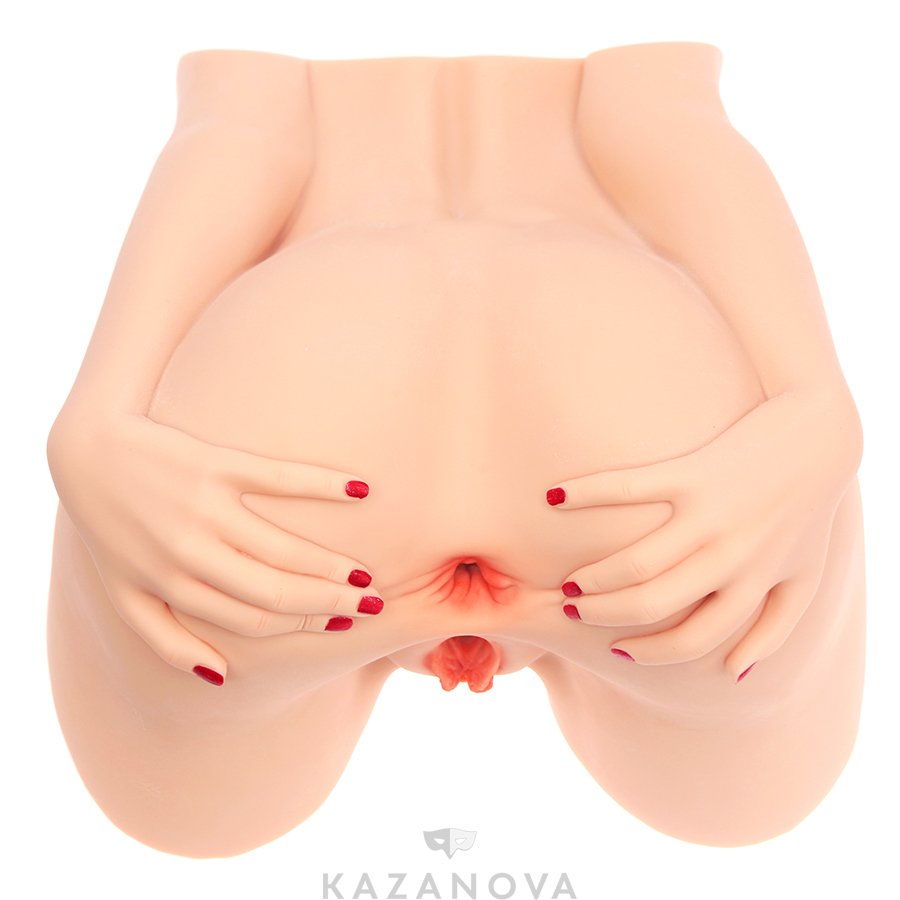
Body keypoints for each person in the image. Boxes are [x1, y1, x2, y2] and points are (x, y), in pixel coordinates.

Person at [45, 42, 864, 857]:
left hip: (309, 375)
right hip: (621, 377)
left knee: (194, 822)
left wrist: (98, 412)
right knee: (739, 811)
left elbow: (241, 128)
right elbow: (658, 117)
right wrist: (813, 396)